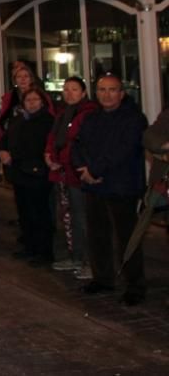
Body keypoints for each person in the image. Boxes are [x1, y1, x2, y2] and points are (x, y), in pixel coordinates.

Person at [72, 73, 148, 306]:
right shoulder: (91, 118)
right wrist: (83, 168)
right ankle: (103, 278)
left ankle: (135, 285)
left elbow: (122, 151)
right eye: (102, 90)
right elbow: (77, 144)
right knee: (97, 235)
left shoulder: (134, 119)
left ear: (122, 93)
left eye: (112, 90)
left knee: (127, 238)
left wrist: (94, 170)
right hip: (94, 185)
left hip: (121, 185)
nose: (107, 94)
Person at [45, 77, 97, 279]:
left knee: (83, 217)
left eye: (74, 89)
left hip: (78, 173)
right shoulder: (62, 113)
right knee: (70, 216)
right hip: (64, 172)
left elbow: (78, 143)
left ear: (83, 93)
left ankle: (89, 260)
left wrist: (64, 159)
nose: (69, 93)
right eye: (66, 89)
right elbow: (54, 138)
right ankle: (76, 255)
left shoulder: (88, 114)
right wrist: (50, 155)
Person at [0, 88, 55, 266]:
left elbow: (41, 146)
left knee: (39, 213)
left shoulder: (47, 122)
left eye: (35, 99)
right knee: (24, 212)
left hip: (37, 173)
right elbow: (5, 140)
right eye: (28, 100)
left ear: (42, 102)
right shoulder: (18, 120)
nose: (31, 103)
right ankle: (30, 246)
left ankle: (44, 251)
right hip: (19, 173)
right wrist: (2, 151)